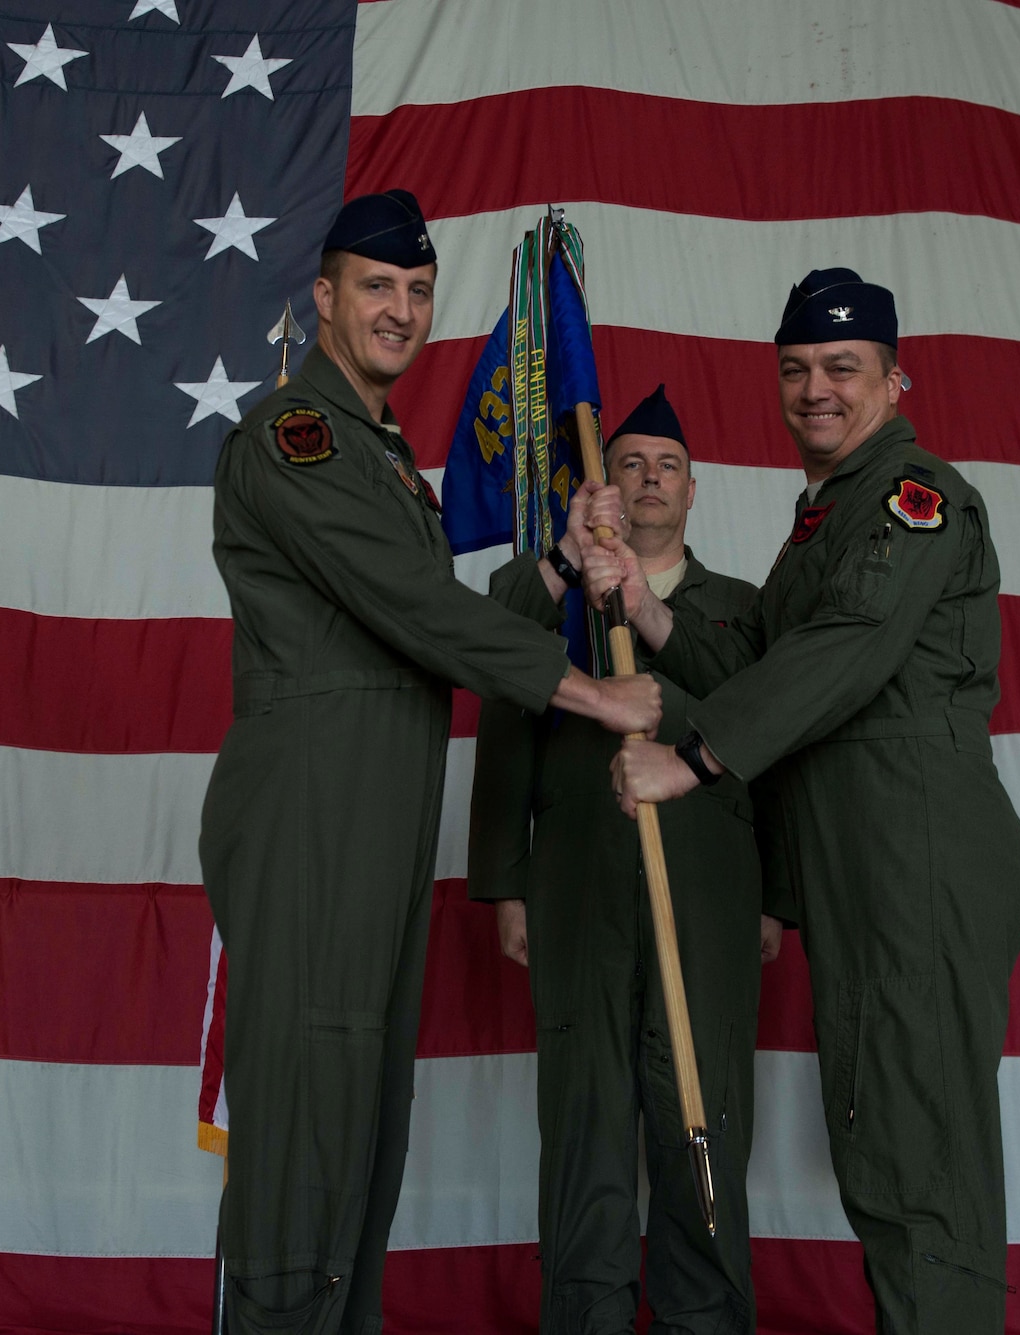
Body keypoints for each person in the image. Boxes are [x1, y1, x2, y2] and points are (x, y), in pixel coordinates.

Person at [200, 189, 662, 1335]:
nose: (400, 310)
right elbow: (410, 606)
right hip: (313, 812)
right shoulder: (290, 438)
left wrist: (555, 567)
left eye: (415, 291)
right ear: (322, 298)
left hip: (377, 814)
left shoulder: (378, 452)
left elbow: (425, 610)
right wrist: (588, 690)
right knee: (307, 1126)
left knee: (363, 1123)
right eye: (374, 286)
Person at [578, 271, 1020, 1334]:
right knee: (883, 1145)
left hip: (912, 847)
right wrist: (644, 606)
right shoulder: (824, 517)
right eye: (795, 370)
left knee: (919, 1159)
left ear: (891, 378)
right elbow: (759, 654)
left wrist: (689, 759)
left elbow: (848, 647)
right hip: (860, 855)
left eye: (841, 368)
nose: (814, 390)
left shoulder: (909, 495)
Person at [467, 386, 787, 1334]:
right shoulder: (556, 601)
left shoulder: (744, 610)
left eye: (668, 466)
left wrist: (782, 895)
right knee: (585, 1131)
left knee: (702, 1120)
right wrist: (505, 879)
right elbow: (497, 679)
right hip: (578, 892)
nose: (649, 479)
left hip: (709, 898)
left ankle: (705, 1320)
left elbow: (776, 734)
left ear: (695, 491)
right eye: (631, 463)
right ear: (606, 487)